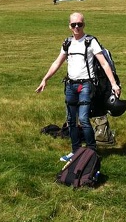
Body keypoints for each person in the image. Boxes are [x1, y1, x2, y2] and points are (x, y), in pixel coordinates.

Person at [36, 12, 121, 161]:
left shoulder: (90, 41)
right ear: (69, 26)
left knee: (83, 118)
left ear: (84, 25)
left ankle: (92, 152)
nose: (77, 27)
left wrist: (114, 84)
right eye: (73, 24)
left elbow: (103, 63)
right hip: (70, 85)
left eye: (79, 24)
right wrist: (45, 79)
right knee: (71, 121)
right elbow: (57, 62)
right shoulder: (67, 43)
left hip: (86, 85)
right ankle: (75, 152)